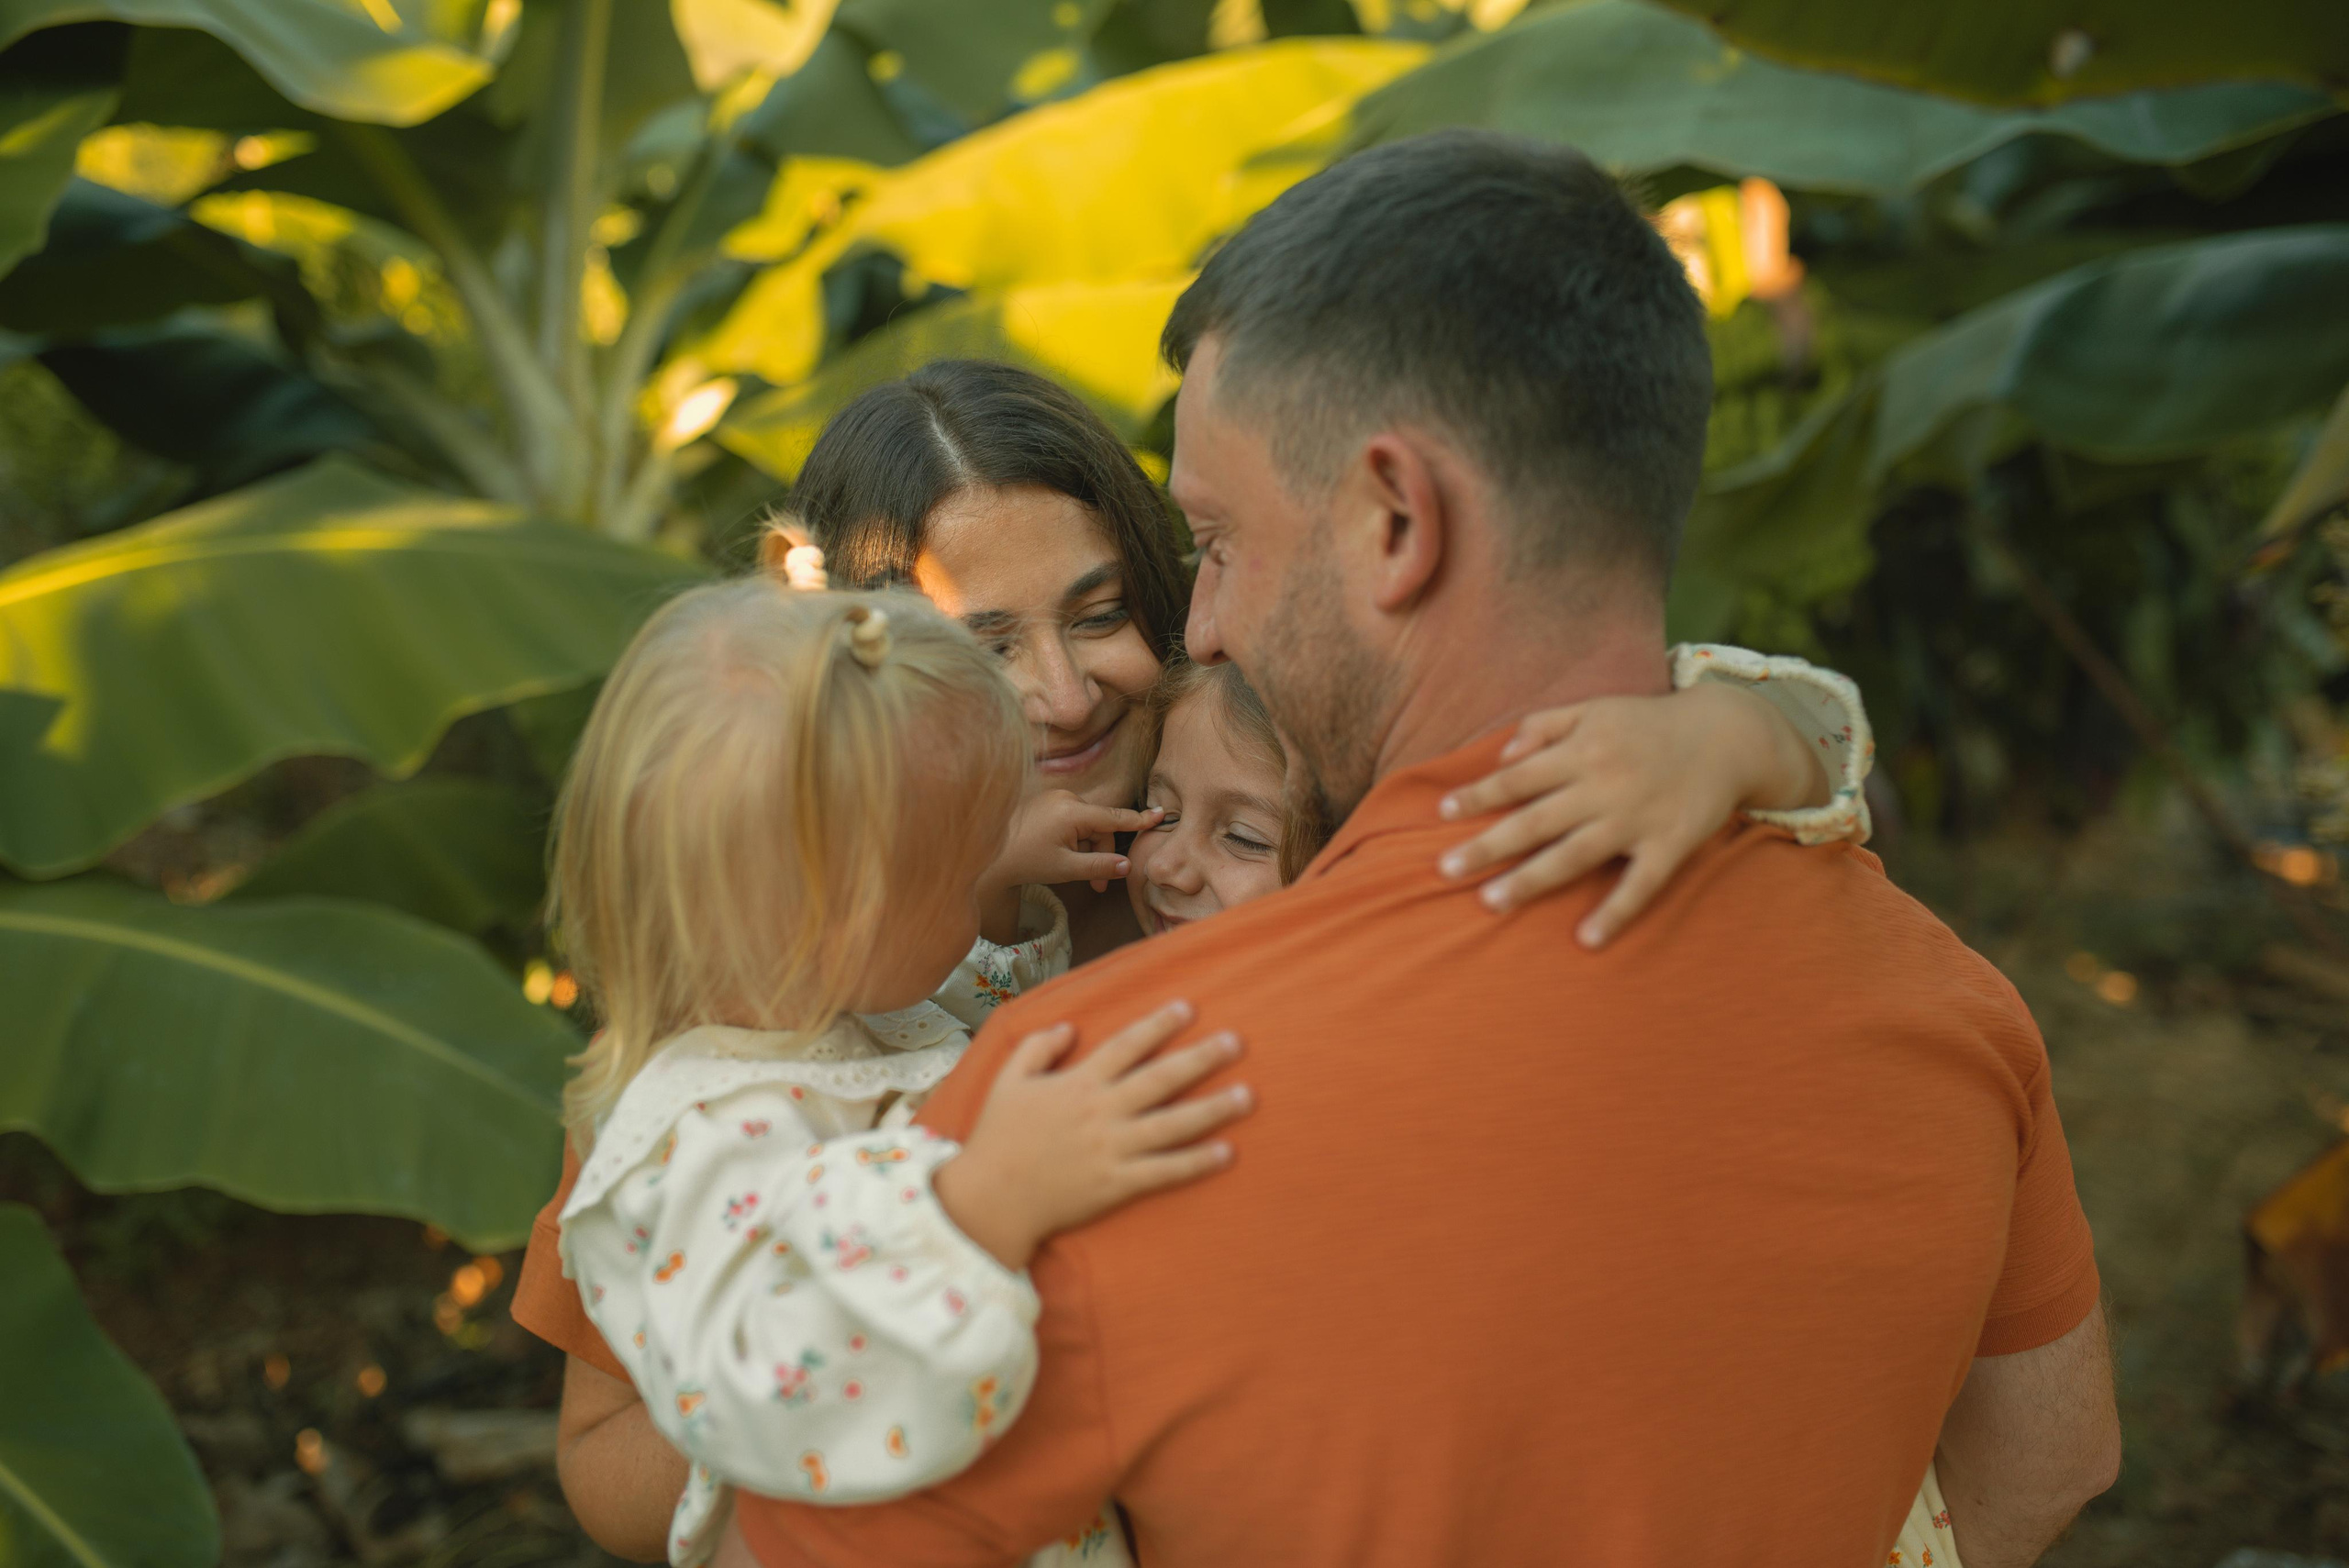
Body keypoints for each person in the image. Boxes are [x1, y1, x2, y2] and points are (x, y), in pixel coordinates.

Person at [708, 130, 2118, 1568]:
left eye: (1218, 541)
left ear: (1397, 519)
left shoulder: (1102, 1093)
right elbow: (2052, 1460)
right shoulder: (1948, 1009)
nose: (1204, 628)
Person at [515, 357, 1884, 1559]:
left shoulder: (1265, 811)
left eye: (1096, 613)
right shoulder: (759, 1029)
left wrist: (1729, 736)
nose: (1061, 693)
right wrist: (858, 1374)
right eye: (983, 646)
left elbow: (1720, 769)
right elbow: (607, 1456)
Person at [544, 577, 1251, 1565]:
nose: (981, 883)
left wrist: (994, 861)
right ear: (843, 925)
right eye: (960, 869)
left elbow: (978, 1010)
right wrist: (981, 1201)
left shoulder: (836, 1014)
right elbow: (769, 1389)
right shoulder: (698, 1139)